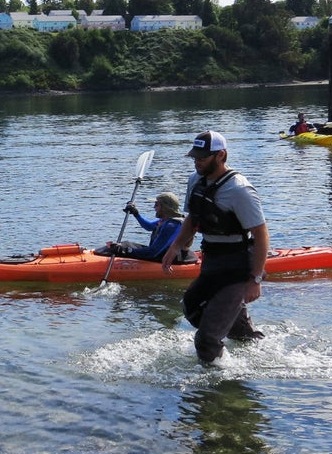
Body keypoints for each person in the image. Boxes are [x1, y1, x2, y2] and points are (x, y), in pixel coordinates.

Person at [161, 131, 270, 364]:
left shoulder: (240, 190)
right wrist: (176, 246)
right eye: (195, 157)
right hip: (212, 262)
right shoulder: (195, 180)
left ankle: (222, 389)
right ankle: (250, 340)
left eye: (202, 157)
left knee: (206, 340)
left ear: (221, 155)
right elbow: (192, 217)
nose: (197, 161)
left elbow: (261, 234)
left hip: (238, 268)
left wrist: (256, 279)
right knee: (191, 307)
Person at [96, 192, 189, 261]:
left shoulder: (172, 225)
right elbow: (149, 226)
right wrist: (136, 213)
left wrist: (126, 251)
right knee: (124, 244)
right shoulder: (165, 221)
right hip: (158, 253)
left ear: (165, 207)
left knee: (124, 247)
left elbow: (153, 252)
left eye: (156, 205)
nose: (154, 207)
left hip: (167, 258)